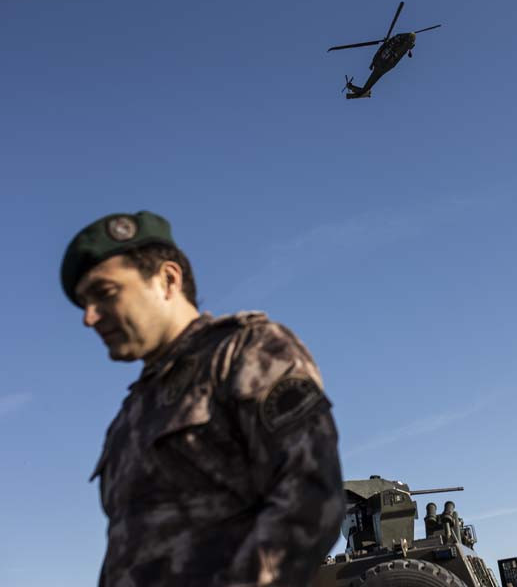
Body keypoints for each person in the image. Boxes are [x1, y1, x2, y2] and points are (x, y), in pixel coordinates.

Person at [60, 211, 345, 587]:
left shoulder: (247, 352)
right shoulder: (128, 419)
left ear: (167, 280)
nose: (89, 317)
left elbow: (309, 501)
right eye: (83, 304)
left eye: (105, 293)